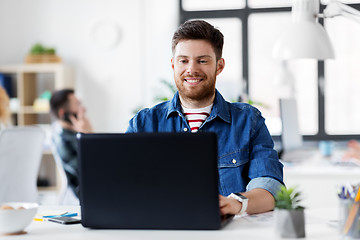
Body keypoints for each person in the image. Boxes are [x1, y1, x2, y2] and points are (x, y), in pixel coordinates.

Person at [126, 20, 284, 216]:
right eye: (183, 60)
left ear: (219, 66)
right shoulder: (143, 123)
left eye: (202, 60)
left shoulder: (248, 121)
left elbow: (270, 186)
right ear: (173, 64)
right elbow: (125, 185)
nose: (191, 69)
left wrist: (236, 204)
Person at [50, 89, 93, 198]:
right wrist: (88, 136)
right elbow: (91, 169)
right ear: (63, 113)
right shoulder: (62, 139)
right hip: (84, 193)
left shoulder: (74, 134)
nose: (83, 109)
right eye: (78, 105)